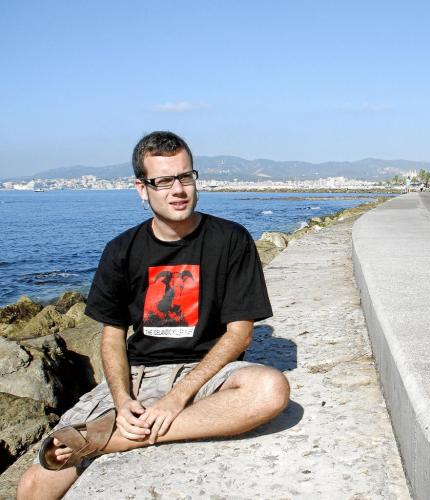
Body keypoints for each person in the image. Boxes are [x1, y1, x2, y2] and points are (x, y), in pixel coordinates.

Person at [18, 131, 290, 500]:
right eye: (163, 181)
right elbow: (112, 336)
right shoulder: (121, 250)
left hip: (207, 372)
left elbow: (239, 334)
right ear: (142, 189)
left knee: (270, 389)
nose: (178, 190)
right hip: (140, 373)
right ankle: (117, 428)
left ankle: (109, 441)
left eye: (185, 177)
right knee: (34, 484)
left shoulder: (230, 239)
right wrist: (122, 399)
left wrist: (177, 398)